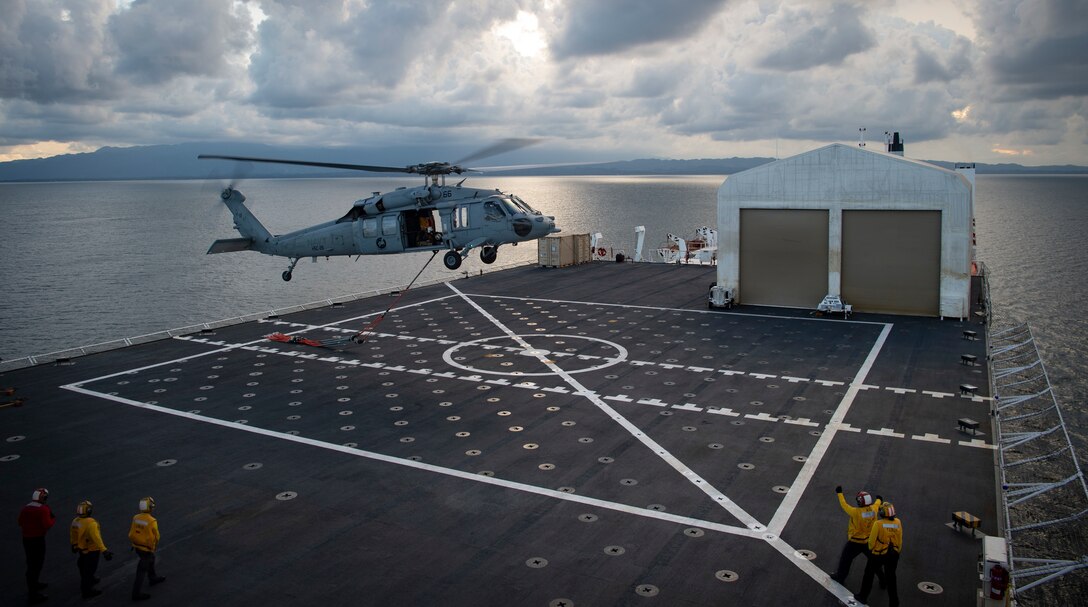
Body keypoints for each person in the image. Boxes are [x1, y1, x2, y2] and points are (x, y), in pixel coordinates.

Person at [830, 485, 884, 586]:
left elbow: (844, 505)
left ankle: (840, 577)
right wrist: (879, 500)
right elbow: (877, 504)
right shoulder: (873, 510)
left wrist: (839, 493)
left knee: (845, 560)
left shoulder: (855, 512)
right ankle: (883, 579)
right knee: (875, 562)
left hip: (855, 542)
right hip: (868, 541)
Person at [855, 502, 904, 607]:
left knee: (869, 574)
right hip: (893, 555)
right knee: (891, 578)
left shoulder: (878, 524)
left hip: (878, 554)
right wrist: (897, 551)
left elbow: (872, 541)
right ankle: (894, 603)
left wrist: (871, 550)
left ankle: (863, 596)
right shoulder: (898, 522)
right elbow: (899, 540)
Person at [18, 487, 56, 604]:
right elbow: (48, 524)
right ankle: (33, 593)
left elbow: (20, 522)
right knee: (36, 564)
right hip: (37, 539)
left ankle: (34, 584)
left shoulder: (26, 507)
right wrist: (52, 518)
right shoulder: (43, 509)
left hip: (26, 539)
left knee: (31, 563)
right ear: (43, 498)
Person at [69, 500, 112, 599]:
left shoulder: (75, 521)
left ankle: (90, 579)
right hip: (92, 550)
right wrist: (104, 551)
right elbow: (96, 538)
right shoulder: (91, 523)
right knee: (89, 570)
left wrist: (74, 545)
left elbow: (73, 534)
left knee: (82, 564)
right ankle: (87, 590)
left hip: (81, 549)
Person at [128, 497, 165, 600]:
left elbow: (132, 532)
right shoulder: (152, 521)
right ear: (150, 508)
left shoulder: (136, 517)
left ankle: (152, 577)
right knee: (141, 570)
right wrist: (153, 546)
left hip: (137, 547)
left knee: (151, 559)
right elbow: (157, 536)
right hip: (146, 548)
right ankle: (136, 593)